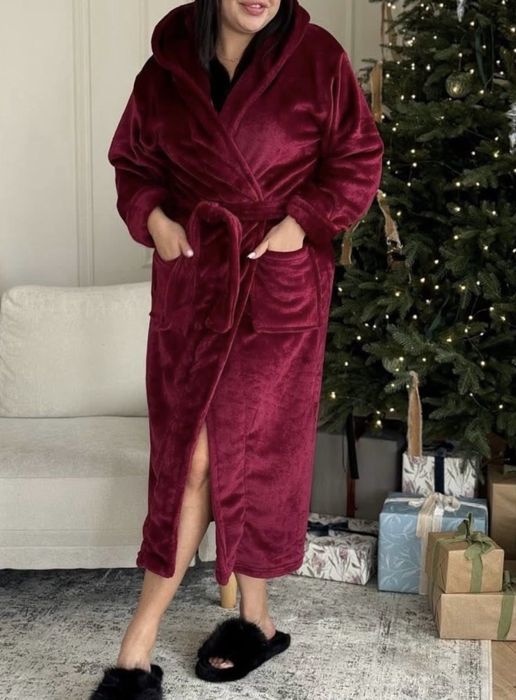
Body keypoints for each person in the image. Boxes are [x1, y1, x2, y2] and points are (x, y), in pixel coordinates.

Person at [91, 0, 383, 696]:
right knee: (189, 459)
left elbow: (357, 159)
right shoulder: (167, 68)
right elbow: (133, 162)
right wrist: (155, 220)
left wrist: (302, 222)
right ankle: (235, 625)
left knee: (249, 454)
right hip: (194, 283)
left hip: (275, 284)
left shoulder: (318, 60)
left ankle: (158, 642)